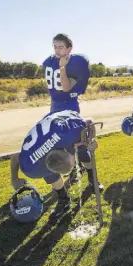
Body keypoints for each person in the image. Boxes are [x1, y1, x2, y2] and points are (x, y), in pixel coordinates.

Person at [10, 110, 103, 218]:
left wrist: (91, 139)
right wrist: (14, 178)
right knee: (49, 174)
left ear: (67, 149)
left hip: (61, 121)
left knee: (83, 151)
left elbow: (89, 121)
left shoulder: (70, 132)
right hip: (43, 143)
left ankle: (93, 180)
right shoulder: (31, 166)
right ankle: (64, 199)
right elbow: (15, 157)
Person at [42, 33, 91, 183]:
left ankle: (92, 178)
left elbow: (66, 87)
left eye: (61, 47)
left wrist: (62, 67)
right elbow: (54, 94)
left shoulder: (75, 63)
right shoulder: (48, 62)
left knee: (80, 144)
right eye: (55, 47)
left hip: (70, 107)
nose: (57, 50)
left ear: (69, 49)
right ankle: (74, 171)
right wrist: (51, 112)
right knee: (61, 145)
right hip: (56, 107)